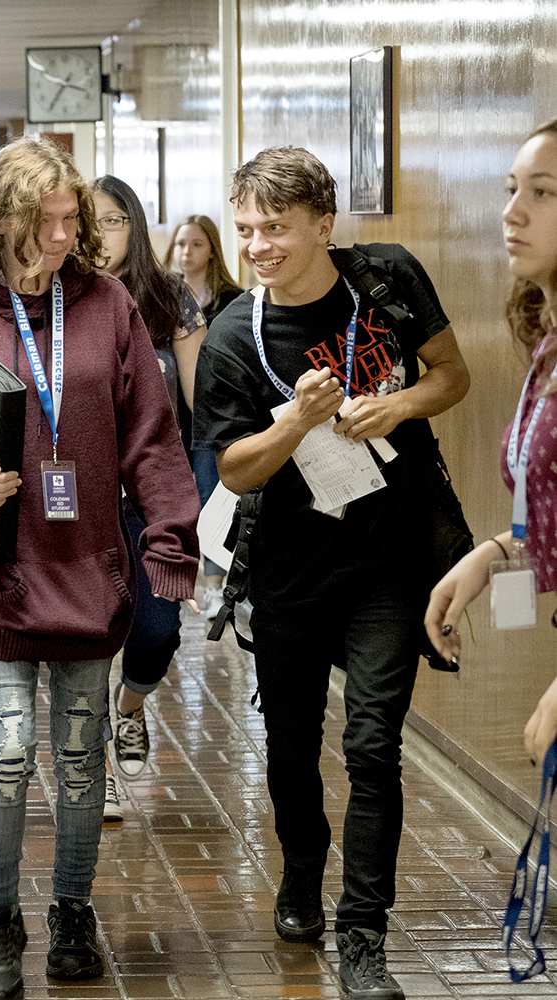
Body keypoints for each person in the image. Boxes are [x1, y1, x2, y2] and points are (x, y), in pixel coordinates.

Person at [0, 137, 200, 999]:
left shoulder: (107, 306)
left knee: (77, 751)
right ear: (1, 224)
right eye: (46, 221)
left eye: (73, 221)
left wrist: (169, 539)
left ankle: (69, 910)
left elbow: (153, 434)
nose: (64, 236)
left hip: (90, 570)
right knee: (6, 749)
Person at [193, 146, 469, 1000]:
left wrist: (400, 402)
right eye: (245, 230)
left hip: (388, 562)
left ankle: (364, 937)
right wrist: (296, 424)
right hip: (287, 569)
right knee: (289, 748)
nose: (258, 246)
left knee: (373, 745)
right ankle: (301, 873)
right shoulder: (235, 334)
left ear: (324, 224)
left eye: (275, 228)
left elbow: (453, 374)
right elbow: (235, 470)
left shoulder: (385, 280)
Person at [427, 118, 557, 766]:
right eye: (511, 189)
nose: (512, 211)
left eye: (543, 193)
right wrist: (495, 556)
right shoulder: (546, 349)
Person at [92, 175, 208, 800]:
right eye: (90, 220)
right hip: (77, 498)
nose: (101, 233)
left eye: (114, 220)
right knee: (89, 639)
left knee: (157, 628)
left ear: (133, 226)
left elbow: (203, 403)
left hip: (152, 495)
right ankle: (98, 771)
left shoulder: (169, 298)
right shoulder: (58, 296)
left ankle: (130, 708)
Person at [165, 213, 244, 617]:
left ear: (212, 248)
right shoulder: (162, 294)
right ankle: (174, 576)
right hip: (172, 416)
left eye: (196, 243)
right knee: (177, 499)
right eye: (180, 244)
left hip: (212, 418)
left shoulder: (232, 299)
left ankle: (214, 582)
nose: (186, 252)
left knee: (212, 496)